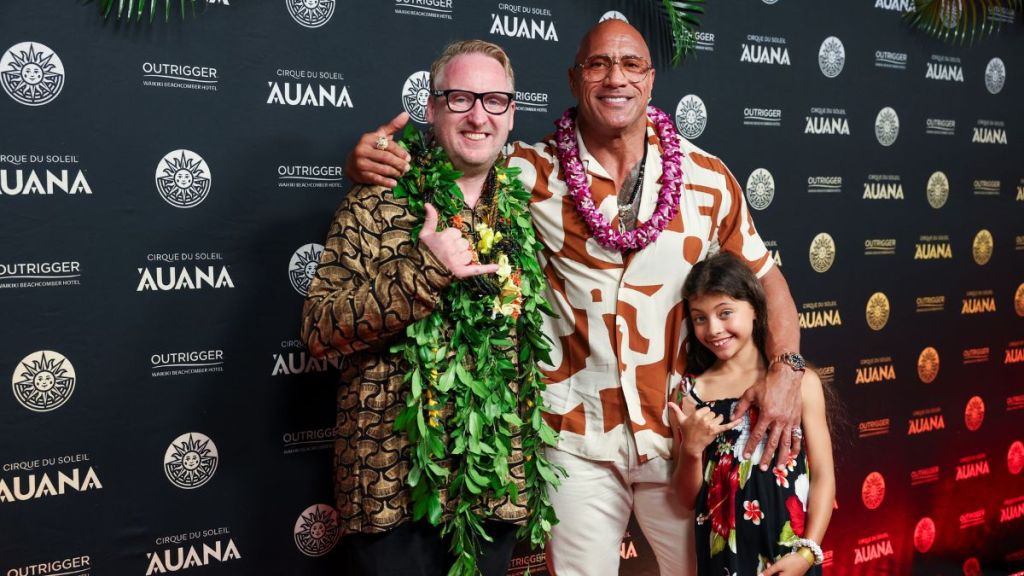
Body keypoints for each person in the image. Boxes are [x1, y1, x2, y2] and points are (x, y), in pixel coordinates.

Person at [345, 20, 805, 576]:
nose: (616, 78)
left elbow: (769, 281)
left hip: (683, 434)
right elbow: (453, 162)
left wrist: (786, 369)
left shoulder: (708, 178)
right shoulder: (524, 171)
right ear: (573, 78)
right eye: (598, 64)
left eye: (631, 64)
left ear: (651, 80)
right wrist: (372, 165)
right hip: (573, 440)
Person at [301, 40, 560, 576]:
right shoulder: (377, 197)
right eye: (460, 98)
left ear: (512, 115)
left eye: (494, 101)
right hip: (391, 483)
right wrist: (424, 271)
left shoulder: (527, 207)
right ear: (432, 108)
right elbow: (319, 328)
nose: (477, 116)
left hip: (492, 484)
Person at [669, 252, 835, 576]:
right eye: (700, 318)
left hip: (788, 554)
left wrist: (807, 553)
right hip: (723, 559)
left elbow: (825, 477)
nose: (713, 328)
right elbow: (686, 499)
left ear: (756, 310)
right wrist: (690, 449)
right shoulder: (690, 394)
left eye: (725, 313)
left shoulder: (800, 385)